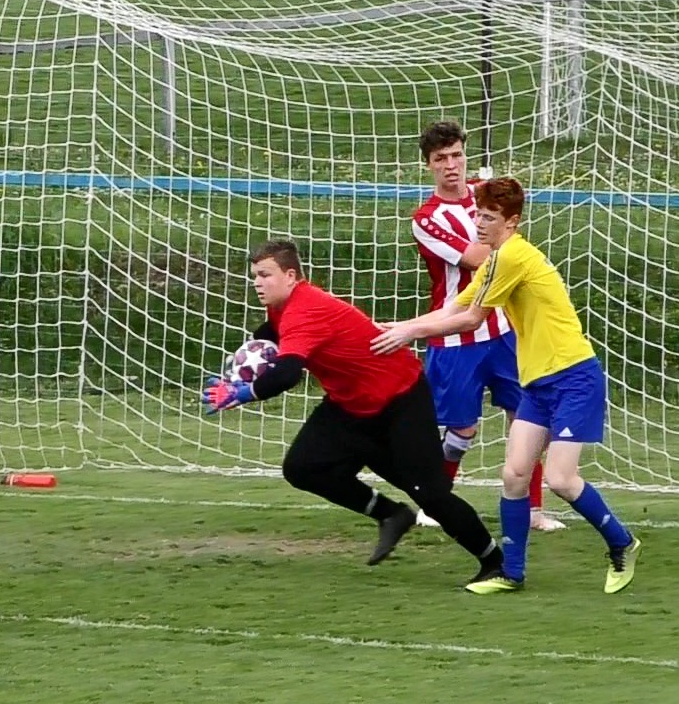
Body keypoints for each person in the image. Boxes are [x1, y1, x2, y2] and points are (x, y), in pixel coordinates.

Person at [372, 177, 641, 594]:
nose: (479, 223)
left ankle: (622, 543)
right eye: (478, 215)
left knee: (561, 479)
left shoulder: (513, 256)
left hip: (573, 377)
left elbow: (471, 319)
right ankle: (511, 572)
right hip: (537, 383)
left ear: (511, 223)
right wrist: (400, 326)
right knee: (514, 475)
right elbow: (456, 304)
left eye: (489, 218)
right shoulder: (496, 259)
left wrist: (411, 334)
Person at [205, 239, 504, 586]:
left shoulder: (305, 309)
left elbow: (286, 375)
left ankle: (496, 564)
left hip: (400, 398)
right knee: (303, 468)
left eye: (265, 275)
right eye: (255, 275)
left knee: (430, 493)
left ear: (291, 276)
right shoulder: (281, 307)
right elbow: (270, 337)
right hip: (351, 404)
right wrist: (240, 370)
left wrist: (241, 393)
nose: (257, 282)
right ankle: (391, 514)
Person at [409, 120, 561, 532]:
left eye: (457, 155)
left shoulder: (484, 193)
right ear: (429, 165)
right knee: (462, 429)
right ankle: (435, 502)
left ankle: (532, 510)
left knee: (526, 417)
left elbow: (511, 227)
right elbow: (478, 258)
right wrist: (503, 226)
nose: (451, 165)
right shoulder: (427, 218)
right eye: (441, 158)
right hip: (455, 334)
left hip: (502, 330)